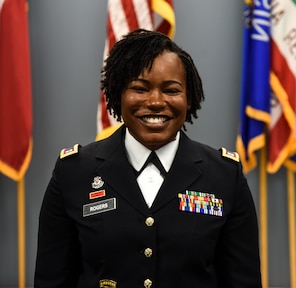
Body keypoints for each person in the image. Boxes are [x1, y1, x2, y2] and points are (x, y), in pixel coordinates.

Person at [34, 29, 262, 288]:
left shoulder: (223, 175)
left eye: (171, 90)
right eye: (140, 89)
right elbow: (51, 280)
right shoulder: (74, 172)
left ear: (189, 99)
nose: (155, 102)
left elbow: (244, 281)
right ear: (118, 96)